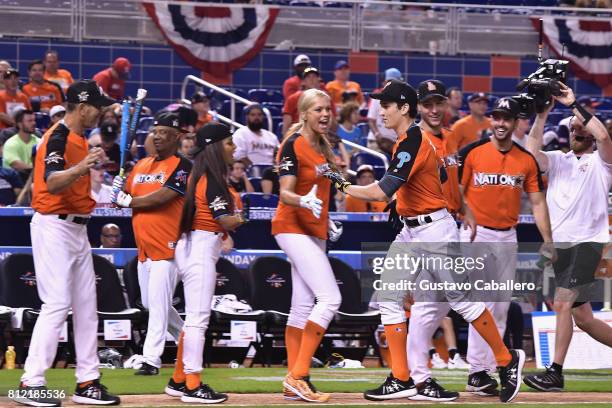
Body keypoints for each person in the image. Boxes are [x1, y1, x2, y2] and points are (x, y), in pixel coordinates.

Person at [323, 79, 525, 403]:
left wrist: (345, 186)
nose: (380, 110)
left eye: (386, 104)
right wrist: (401, 204)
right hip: (414, 229)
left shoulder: (412, 142)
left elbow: (381, 190)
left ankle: (505, 360)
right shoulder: (411, 140)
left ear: (404, 108)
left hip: (434, 232)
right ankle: (401, 377)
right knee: (388, 297)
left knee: (461, 302)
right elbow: (425, 184)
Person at [12, 80, 120, 407]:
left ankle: (87, 381)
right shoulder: (57, 136)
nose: (101, 111)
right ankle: (31, 381)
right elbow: (53, 182)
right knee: (57, 303)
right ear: (83, 106)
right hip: (53, 226)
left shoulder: (80, 137)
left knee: (87, 308)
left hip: (77, 229)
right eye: (97, 106)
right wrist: (82, 166)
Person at [459, 96, 554, 397]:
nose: (500, 123)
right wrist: (465, 217)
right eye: (496, 117)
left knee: (499, 308)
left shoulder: (525, 159)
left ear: (515, 123)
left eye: (506, 119)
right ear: (491, 120)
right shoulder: (473, 153)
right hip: (477, 235)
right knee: (480, 303)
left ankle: (487, 371)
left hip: (506, 236)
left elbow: (538, 202)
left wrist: (548, 241)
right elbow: (456, 193)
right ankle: (477, 371)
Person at [523, 84, 612, 392]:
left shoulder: (602, 162)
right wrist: (541, 115)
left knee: (562, 304)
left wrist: (574, 105)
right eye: (573, 128)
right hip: (562, 247)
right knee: (584, 319)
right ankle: (555, 372)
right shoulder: (558, 161)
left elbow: (603, 136)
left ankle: (555, 373)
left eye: (581, 128)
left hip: (587, 244)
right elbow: (529, 155)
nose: (577, 131)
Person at [402, 79, 473, 401]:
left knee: (431, 307)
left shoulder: (449, 139)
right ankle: (416, 377)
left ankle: (418, 378)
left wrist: (466, 208)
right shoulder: (417, 140)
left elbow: (452, 182)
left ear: (446, 104)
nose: (433, 109)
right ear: (418, 106)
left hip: (448, 226)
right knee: (437, 303)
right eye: (427, 103)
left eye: (438, 102)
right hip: (427, 230)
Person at [165, 122, 246, 404]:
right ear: (214, 147)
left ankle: (178, 380)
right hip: (199, 247)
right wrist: (241, 218)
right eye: (228, 143)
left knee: (193, 322)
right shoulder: (210, 178)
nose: (233, 147)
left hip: (194, 244)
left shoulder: (201, 174)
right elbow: (224, 219)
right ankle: (193, 384)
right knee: (198, 320)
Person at [273, 88, 342, 403]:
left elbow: (335, 185)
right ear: (304, 113)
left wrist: (325, 218)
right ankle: (298, 375)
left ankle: (293, 382)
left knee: (301, 307)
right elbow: (285, 193)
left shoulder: (323, 148)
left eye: (327, 109)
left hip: (313, 230)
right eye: (318, 109)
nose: (325, 114)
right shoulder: (293, 145)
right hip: (290, 227)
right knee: (330, 298)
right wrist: (304, 200)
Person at [111, 112, 192, 376]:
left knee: (157, 305)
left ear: (177, 137)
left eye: (164, 132)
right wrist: (118, 191)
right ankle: (188, 342)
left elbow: (164, 197)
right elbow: (125, 197)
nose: (157, 136)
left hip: (169, 246)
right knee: (151, 303)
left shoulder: (183, 166)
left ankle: (151, 359)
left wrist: (128, 201)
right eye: (155, 131)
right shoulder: (142, 165)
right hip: (145, 247)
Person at [282, 67, 335, 136]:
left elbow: (334, 126)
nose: (312, 79)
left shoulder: (327, 99)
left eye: (314, 76)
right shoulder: (293, 98)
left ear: (319, 80)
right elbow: (286, 125)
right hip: (298, 136)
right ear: (303, 81)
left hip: (321, 137)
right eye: (308, 77)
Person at [367, 68, 402, 150]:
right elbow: (371, 120)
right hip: (376, 141)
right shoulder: (377, 97)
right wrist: (377, 134)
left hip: (395, 143)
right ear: (384, 83)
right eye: (389, 81)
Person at [2, 109, 39, 182]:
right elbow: (16, 164)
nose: (34, 123)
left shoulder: (39, 141)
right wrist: (38, 170)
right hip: (14, 182)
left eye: (34, 120)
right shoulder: (11, 143)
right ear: (19, 124)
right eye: (29, 121)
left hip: (34, 178)